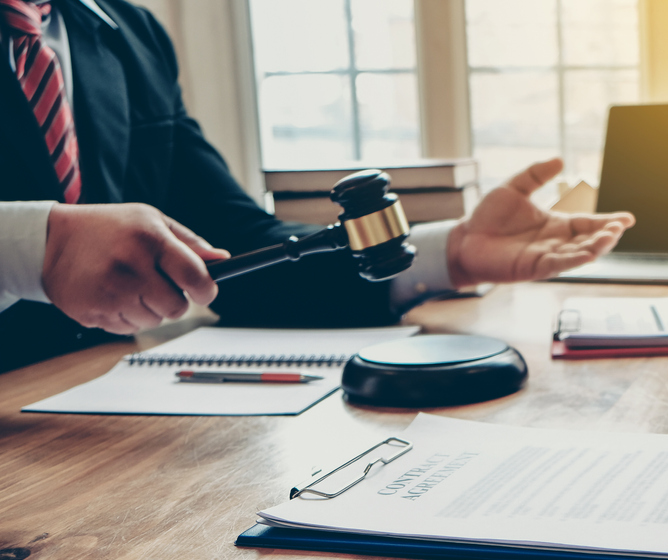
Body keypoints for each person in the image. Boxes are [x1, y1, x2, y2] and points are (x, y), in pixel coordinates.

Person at [0, 0, 634, 372]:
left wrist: (455, 251)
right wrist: (32, 247)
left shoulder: (125, 33)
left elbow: (239, 252)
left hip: (90, 429)